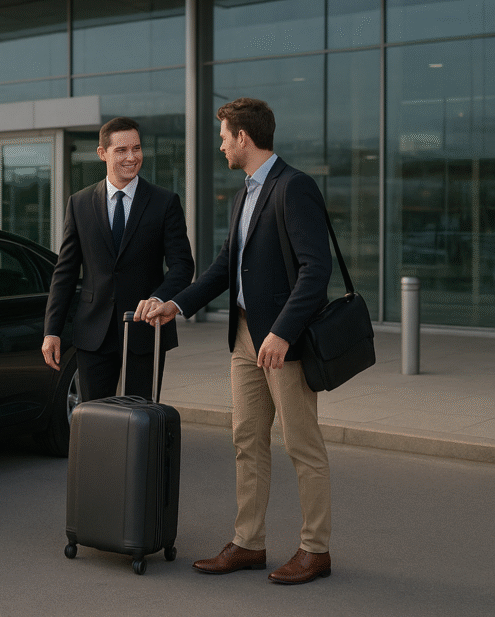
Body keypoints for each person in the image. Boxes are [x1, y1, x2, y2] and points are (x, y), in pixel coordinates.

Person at [145, 97, 333, 585]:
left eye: (225, 136)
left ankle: (316, 550)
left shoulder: (294, 187)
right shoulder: (243, 196)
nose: (222, 145)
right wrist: (178, 304)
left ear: (244, 138)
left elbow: (317, 270)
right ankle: (249, 542)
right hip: (245, 337)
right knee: (247, 440)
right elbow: (223, 269)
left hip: (281, 341)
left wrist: (283, 332)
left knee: (301, 444)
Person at [42, 116, 194, 402]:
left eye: (136, 148)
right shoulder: (80, 203)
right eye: (121, 150)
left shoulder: (165, 202)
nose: (132, 157)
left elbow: (183, 265)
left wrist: (159, 299)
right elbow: (65, 272)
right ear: (103, 153)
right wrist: (52, 331)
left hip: (146, 330)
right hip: (93, 332)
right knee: (95, 420)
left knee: (143, 423)